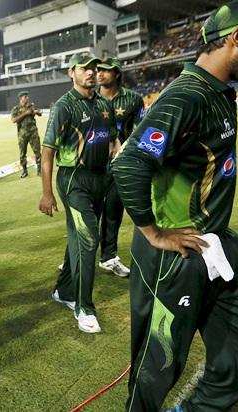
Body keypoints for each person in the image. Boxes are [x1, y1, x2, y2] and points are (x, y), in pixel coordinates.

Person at [111, 1, 238, 409]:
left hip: (215, 244)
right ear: (236, 38)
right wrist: (152, 232)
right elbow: (128, 164)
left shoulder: (216, 90)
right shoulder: (186, 96)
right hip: (175, 258)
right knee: (156, 368)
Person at [38, 53, 119, 333]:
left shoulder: (104, 105)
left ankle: (64, 291)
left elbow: (112, 140)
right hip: (74, 179)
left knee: (78, 236)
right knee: (88, 238)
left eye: (95, 68)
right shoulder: (63, 106)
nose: (92, 73)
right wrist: (46, 193)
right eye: (85, 68)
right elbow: (47, 152)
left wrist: (116, 161)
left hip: (100, 177)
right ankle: (84, 308)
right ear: (71, 72)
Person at [95, 57, 145, 277]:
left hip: (119, 166)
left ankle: (109, 257)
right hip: (92, 166)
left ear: (116, 73)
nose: (99, 74)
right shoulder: (89, 98)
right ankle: (75, 257)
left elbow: (139, 131)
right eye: (98, 70)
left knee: (113, 211)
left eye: (105, 71)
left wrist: (125, 153)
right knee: (87, 213)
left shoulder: (133, 99)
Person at [10, 91, 42, 178]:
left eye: (27, 96)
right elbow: (13, 120)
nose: (27, 98)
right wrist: (25, 114)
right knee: (22, 153)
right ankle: (24, 171)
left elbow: (40, 113)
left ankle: (39, 170)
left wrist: (36, 112)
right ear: (20, 98)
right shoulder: (16, 109)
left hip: (33, 133)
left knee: (37, 151)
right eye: (25, 96)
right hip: (22, 135)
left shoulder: (31, 106)